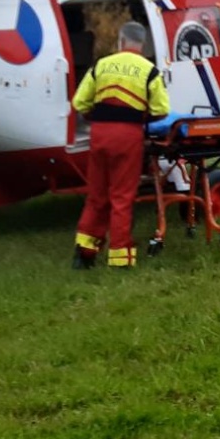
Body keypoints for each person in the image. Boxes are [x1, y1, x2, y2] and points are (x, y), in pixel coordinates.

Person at [71, 21, 171, 269]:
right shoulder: (149, 71)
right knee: (122, 197)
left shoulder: (101, 66)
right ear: (142, 44)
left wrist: (98, 116)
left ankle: (85, 254)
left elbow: (79, 103)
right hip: (128, 137)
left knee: (96, 196)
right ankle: (120, 258)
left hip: (100, 135)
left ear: (121, 41)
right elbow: (162, 110)